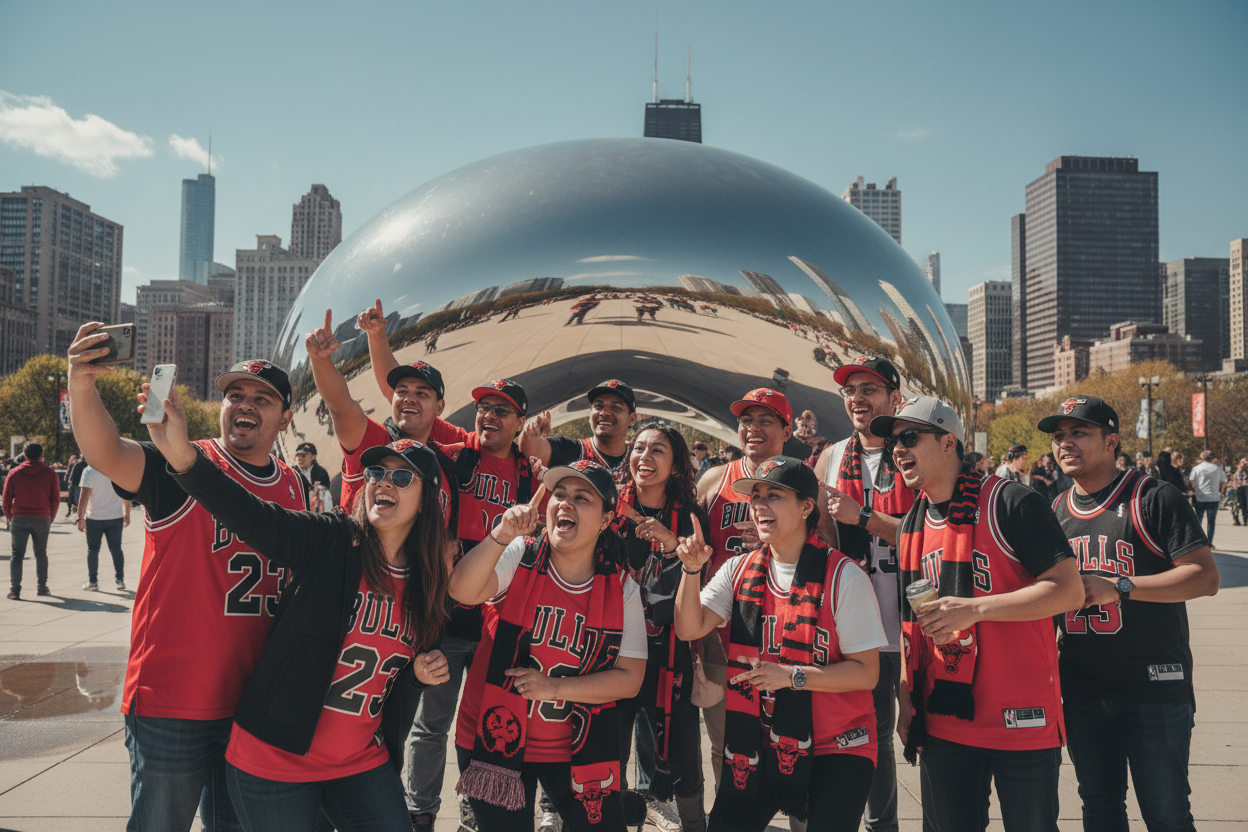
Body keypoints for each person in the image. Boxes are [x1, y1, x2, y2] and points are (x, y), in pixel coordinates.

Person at [145, 384, 453, 832]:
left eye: (402, 477)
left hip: (359, 761)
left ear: (427, 500)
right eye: (375, 474)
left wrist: (418, 680)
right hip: (276, 760)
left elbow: (391, 684)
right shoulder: (333, 540)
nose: (383, 482)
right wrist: (186, 462)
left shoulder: (427, 586)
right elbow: (255, 517)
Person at [69, 321, 311, 832]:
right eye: (236, 395)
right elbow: (107, 453)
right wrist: (82, 384)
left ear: (286, 417)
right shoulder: (184, 462)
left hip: (251, 706)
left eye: (262, 399)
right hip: (173, 700)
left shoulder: (296, 488)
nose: (244, 404)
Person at [874, 395, 1083, 832]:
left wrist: (976, 609)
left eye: (909, 437)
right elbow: (910, 623)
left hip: (1020, 720)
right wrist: (906, 697)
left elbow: (1069, 591)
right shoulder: (912, 522)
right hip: (946, 720)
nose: (898, 449)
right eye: (893, 441)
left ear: (949, 442)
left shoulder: (1012, 502)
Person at [673, 456, 887, 832]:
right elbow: (689, 628)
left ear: (807, 507)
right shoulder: (737, 568)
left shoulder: (845, 576)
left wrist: (791, 676)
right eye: (755, 497)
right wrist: (691, 571)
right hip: (760, 741)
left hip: (837, 743)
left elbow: (867, 673)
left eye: (774, 495)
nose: (760, 506)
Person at [1039, 395, 1219, 832]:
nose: (1065, 443)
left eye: (1079, 432)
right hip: (1081, 686)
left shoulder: (1153, 496)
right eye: (1059, 436)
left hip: (1153, 686)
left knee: (1167, 813)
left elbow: (1204, 577)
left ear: (1111, 440)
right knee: (1099, 808)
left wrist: (1120, 586)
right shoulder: (1054, 510)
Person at [449, 461, 647, 832]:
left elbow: (629, 679)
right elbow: (462, 590)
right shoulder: (520, 553)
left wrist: (555, 688)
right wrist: (501, 534)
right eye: (559, 495)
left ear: (605, 521)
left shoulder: (621, 589)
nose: (565, 504)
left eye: (582, 498)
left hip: (573, 749)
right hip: (494, 738)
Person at [405, 378, 538, 832]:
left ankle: (471, 810)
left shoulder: (531, 474)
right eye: (484, 408)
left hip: (496, 624)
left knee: (486, 723)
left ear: (519, 422)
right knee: (432, 723)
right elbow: (406, 403)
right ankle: (420, 809)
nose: (489, 417)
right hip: (445, 615)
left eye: (503, 410)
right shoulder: (456, 455)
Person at [813, 356, 913, 832]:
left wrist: (865, 516)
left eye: (870, 388)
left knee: (922, 732)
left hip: (916, 619)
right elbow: (823, 538)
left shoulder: (915, 448)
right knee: (865, 733)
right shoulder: (830, 457)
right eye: (851, 390)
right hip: (856, 623)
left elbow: (934, 536)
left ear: (895, 398)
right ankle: (879, 824)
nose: (858, 398)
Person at [613, 419, 709, 832]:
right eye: (638, 448)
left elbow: (701, 578)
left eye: (657, 451)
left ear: (675, 464)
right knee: (608, 738)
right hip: (612, 648)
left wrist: (673, 546)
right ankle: (608, 814)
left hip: (670, 650)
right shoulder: (609, 506)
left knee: (682, 743)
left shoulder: (690, 516)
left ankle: (687, 819)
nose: (644, 457)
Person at [696, 388, 793, 790]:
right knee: (724, 745)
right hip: (723, 632)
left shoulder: (801, 482)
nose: (753, 429)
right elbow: (693, 557)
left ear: (786, 431)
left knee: (784, 742)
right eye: (746, 421)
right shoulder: (716, 479)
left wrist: (777, 535)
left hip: (784, 632)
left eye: (765, 420)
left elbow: (825, 552)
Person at [305, 308, 463, 519]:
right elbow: (341, 406)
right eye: (401, 391)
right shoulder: (372, 442)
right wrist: (321, 360)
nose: (409, 398)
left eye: (421, 393)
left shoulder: (443, 460)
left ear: (439, 408)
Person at [521, 380, 638, 476]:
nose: (604, 412)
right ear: (590, 414)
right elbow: (533, 451)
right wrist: (534, 429)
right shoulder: (573, 450)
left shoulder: (639, 458)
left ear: (632, 419)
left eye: (616, 407)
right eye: (598, 406)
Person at [4, 441, 61, 600]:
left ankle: (15, 589)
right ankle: (42, 587)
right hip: (42, 517)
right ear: (41, 455)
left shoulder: (14, 473)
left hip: (20, 517)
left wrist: (9, 515)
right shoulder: (50, 473)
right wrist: (51, 517)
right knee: (41, 553)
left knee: (17, 555)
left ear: (24, 454)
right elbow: (55, 499)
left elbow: (6, 498)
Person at [76, 462, 130, 591]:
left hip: (95, 517)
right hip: (115, 516)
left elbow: (84, 495)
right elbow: (126, 493)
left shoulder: (89, 471)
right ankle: (120, 580)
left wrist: (80, 517)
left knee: (93, 550)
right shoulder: (118, 469)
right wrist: (126, 513)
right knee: (116, 549)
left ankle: (93, 582)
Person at [1188, 450, 1227, 546]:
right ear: (1212, 458)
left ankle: (1197, 540)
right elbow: (1223, 482)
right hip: (1213, 498)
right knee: (1211, 521)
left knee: (1198, 520)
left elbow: (1192, 482)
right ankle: (1209, 541)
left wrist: (1196, 489)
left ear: (1202, 458)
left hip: (1200, 497)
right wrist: (1220, 492)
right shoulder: (1218, 469)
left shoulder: (1196, 468)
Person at [1232, 458, 1248, 526]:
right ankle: (1237, 520)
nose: (1244, 463)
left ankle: (1245, 520)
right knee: (1236, 505)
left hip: (1245, 488)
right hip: (1238, 488)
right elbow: (1235, 477)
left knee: (1245, 505)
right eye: (1242, 461)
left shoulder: (1246, 470)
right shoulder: (1239, 470)